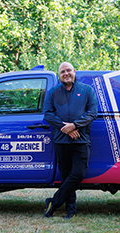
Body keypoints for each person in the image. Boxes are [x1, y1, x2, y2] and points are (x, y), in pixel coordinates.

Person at [42, 62, 98, 219]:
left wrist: (74, 126)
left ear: (74, 71)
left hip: (81, 140)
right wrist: (64, 128)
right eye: (62, 72)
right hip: (61, 141)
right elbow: (48, 114)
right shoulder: (53, 92)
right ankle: (71, 211)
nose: (65, 74)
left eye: (68, 70)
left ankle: (53, 201)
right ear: (59, 75)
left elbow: (92, 113)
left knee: (78, 174)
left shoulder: (87, 90)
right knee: (66, 176)